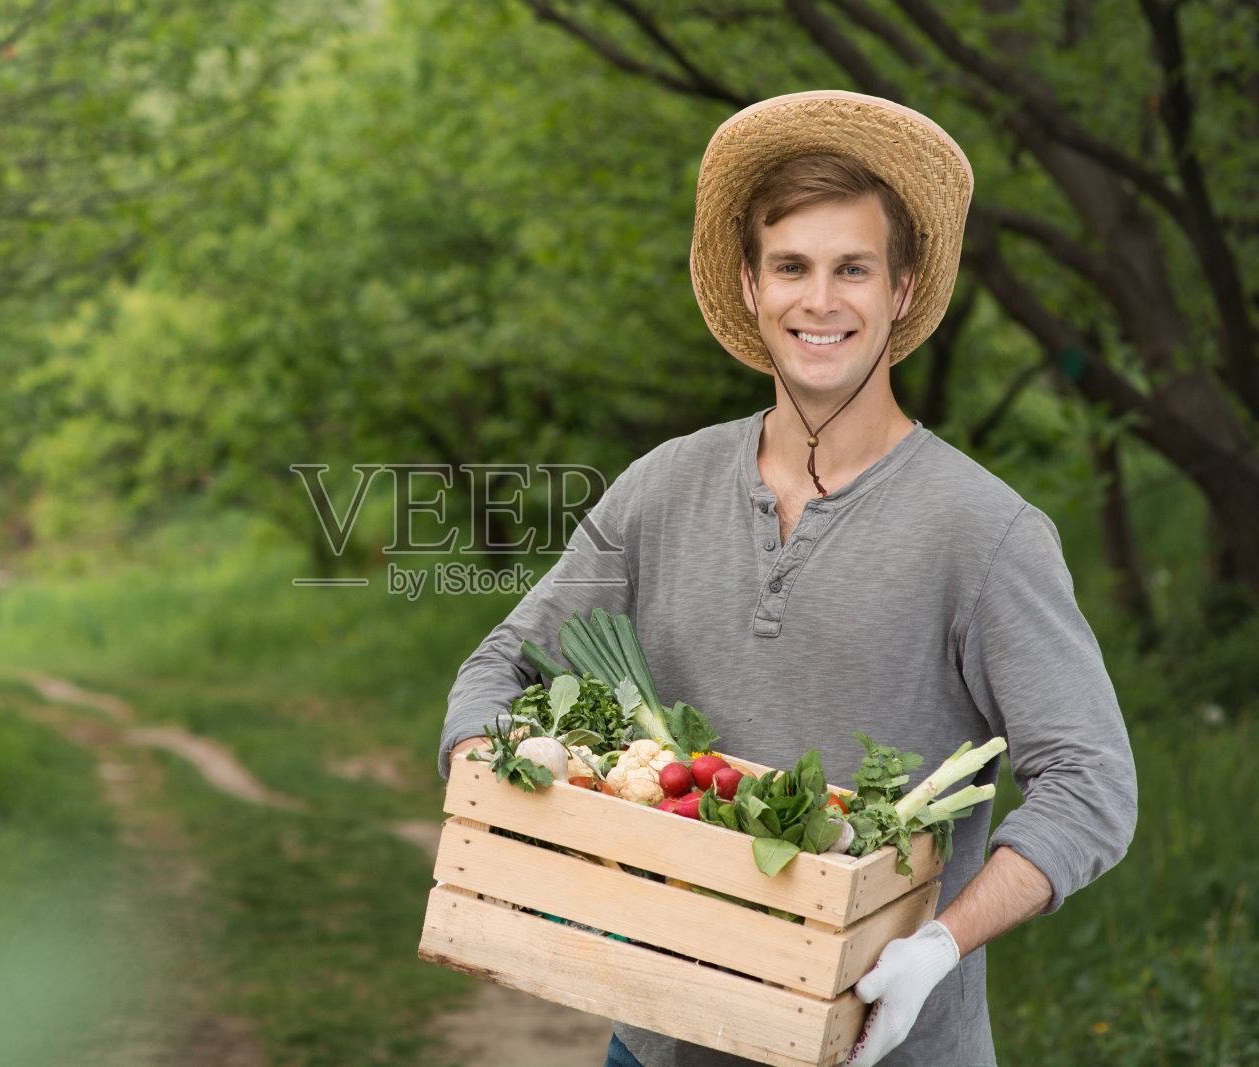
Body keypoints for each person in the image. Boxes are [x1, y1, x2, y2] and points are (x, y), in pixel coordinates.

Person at [437, 90, 1137, 1067]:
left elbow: (1091, 785)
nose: (819, 300)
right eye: (791, 267)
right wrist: (497, 762)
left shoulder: (983, 532)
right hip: (656, 1042)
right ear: (751, 286)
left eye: (852, 268)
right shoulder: (661, 487)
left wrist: (936, 944)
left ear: (899, 291)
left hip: (881, 1051)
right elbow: (503, 664)